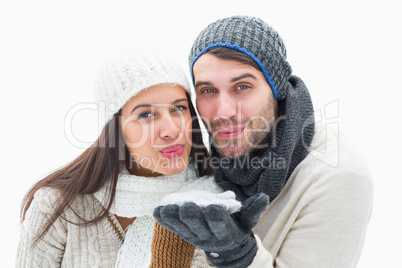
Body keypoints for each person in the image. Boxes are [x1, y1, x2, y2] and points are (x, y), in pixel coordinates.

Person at [154, 16, 374, 267]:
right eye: (208, 90)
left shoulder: (337, 177)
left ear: (275, 88)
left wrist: (239, 256)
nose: (223, 111)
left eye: (243, 86)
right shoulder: (207, 156)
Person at [16, 48, 263, 267]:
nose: (171, 130)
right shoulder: (60, 206)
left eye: (179, 108)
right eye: (146, 115)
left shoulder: (217, 208)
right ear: (117, 128)